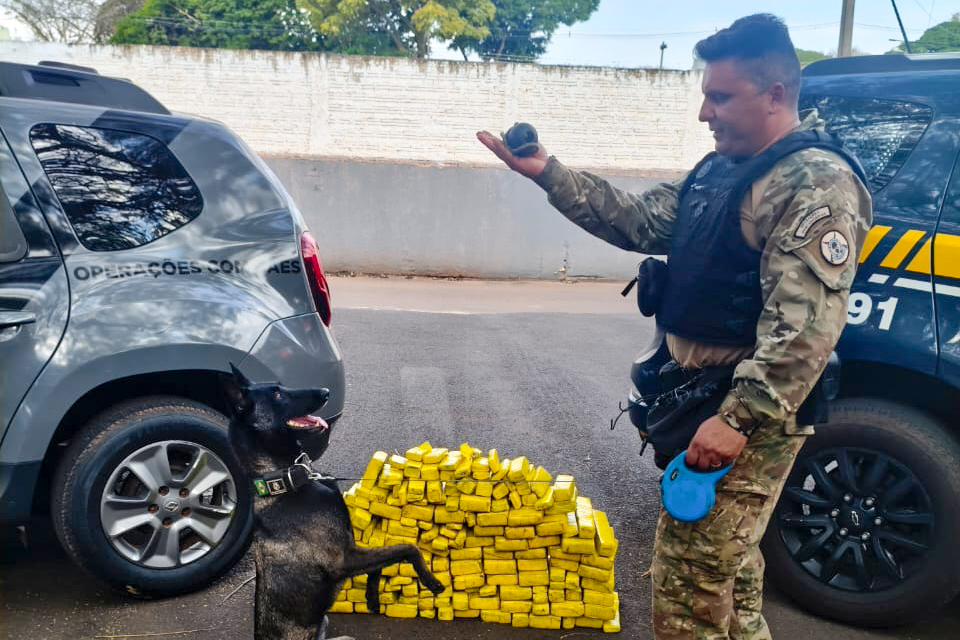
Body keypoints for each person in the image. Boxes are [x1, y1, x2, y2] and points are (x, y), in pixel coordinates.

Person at [477, 13, 873, 640]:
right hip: (702, 399)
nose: (704, 113)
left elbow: (804, 328)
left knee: (689, 587)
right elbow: (639, 220)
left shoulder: (816, 182)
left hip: (746, 414)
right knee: (731, 577)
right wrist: (549, 172)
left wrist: (736, 420)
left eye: (720, 97)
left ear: (775, 94)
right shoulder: (721, 169)